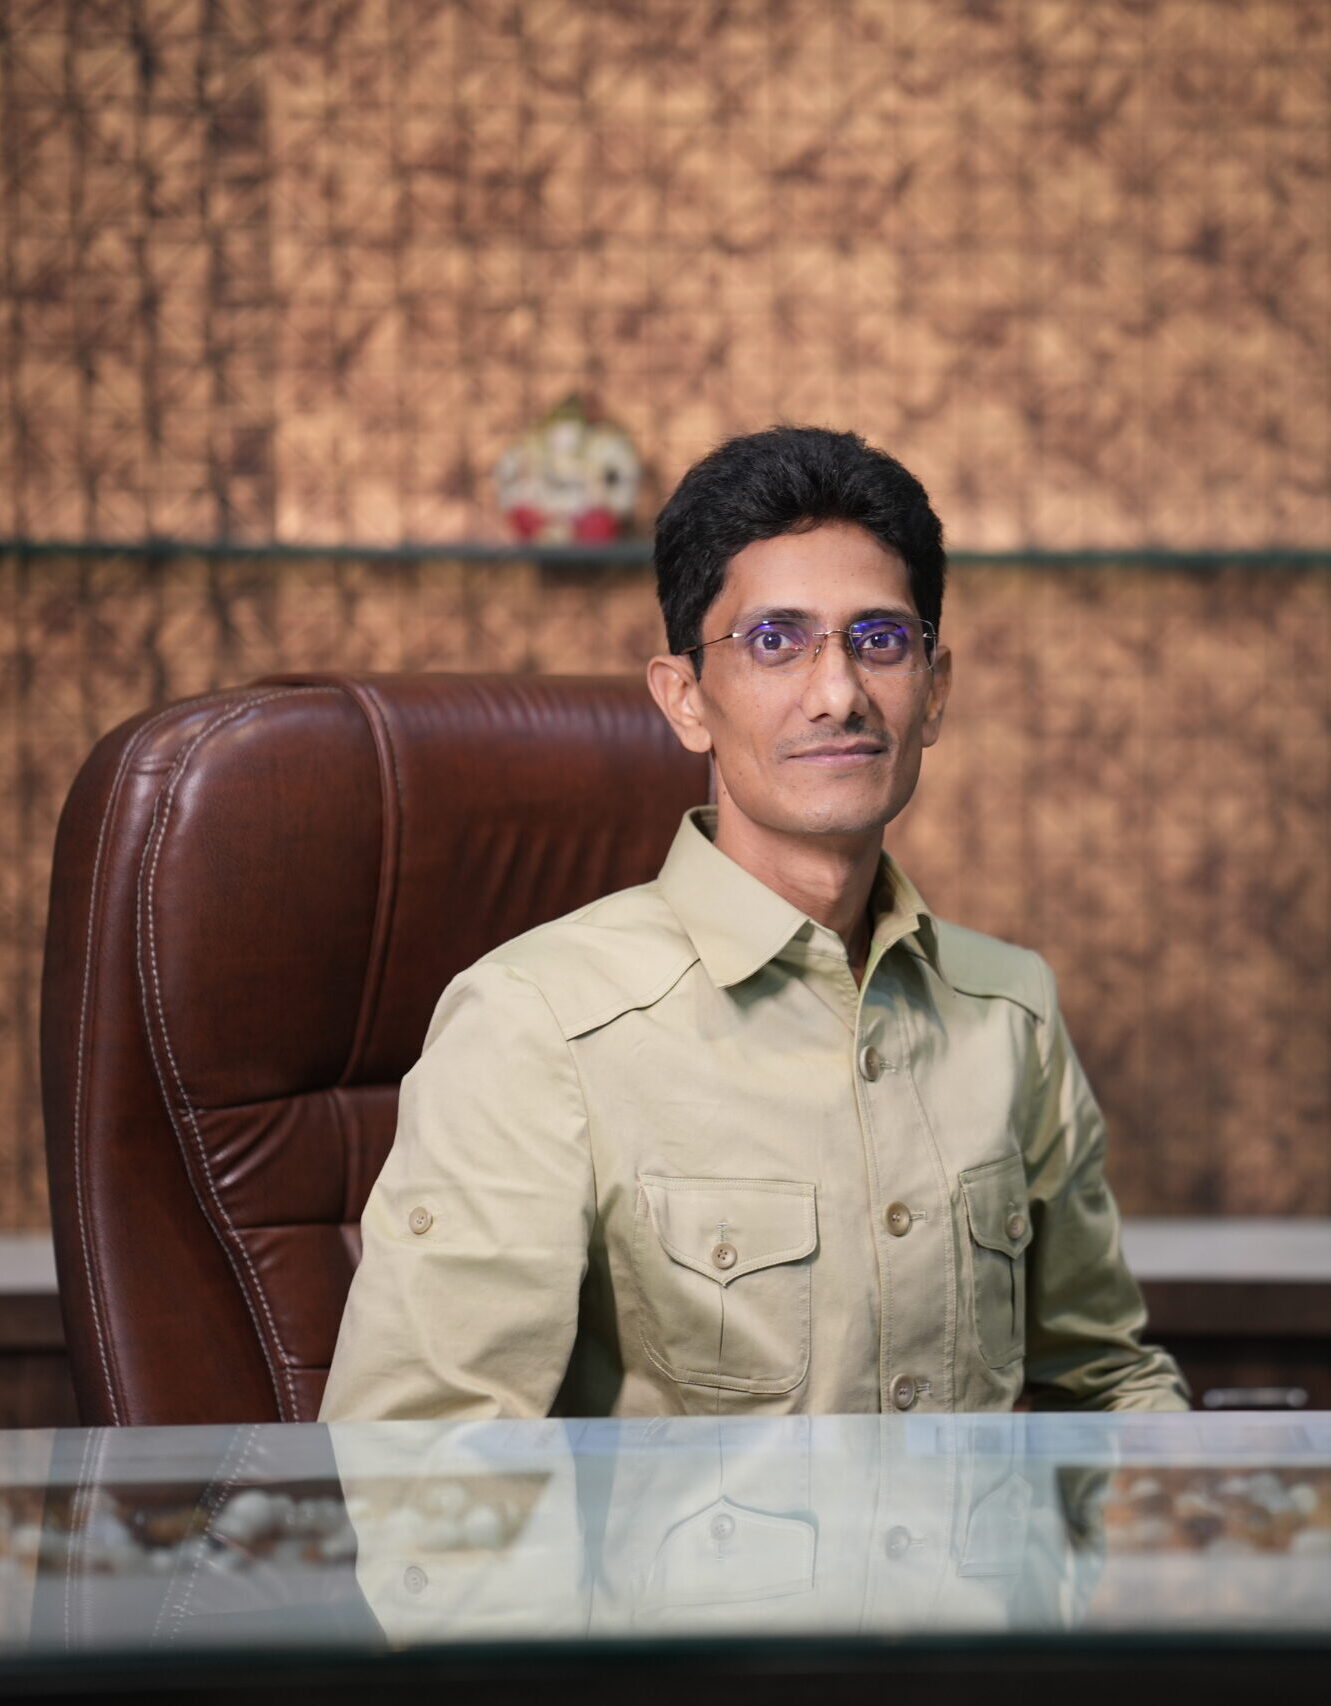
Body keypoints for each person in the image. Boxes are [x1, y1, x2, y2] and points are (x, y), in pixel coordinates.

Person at [321, 426, 1188, 1420]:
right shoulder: (532, 1023)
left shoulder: (1009, 1009)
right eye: (773, 640)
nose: (837, 693)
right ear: (685, 698)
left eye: (879, 639)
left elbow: (1102, 1382)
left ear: (933, 691)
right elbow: (426, 1467)